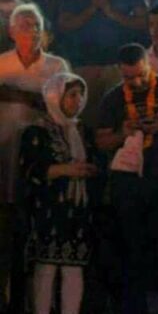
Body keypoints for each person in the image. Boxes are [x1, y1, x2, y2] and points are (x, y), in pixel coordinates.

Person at [95, 43, 158, 314]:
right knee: (131, 251)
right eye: (129, 77)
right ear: (120, 72)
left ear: (148, 65)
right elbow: (101, 141)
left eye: (140, 74)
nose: (136, 81)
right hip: (127, 186)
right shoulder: (113, 98)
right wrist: (122, 133)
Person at [0, 4, 70, 312]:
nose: (33, 30)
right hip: (3, 154)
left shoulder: (56, 67)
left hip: (42, 162)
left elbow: (68, 108)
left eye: (37, 25)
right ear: (12, 31)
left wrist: (25, 97)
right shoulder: (1, 64)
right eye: (26, 25)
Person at [20, 73, 100, 314]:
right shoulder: (37, 131)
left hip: (77, 211)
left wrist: (89, 170)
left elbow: (96, 162)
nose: (78, 100)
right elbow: (31, 170)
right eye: (72, 95)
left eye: (81, 95)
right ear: (56, 97)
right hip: (49, 208)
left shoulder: (82, 131)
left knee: (73, 268)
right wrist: (67, 169)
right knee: (46, 268)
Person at [56, 0, 148, 124]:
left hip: (119, 65)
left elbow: (143, 21)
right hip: (84, 64)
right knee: (85, 120)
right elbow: (64, 24)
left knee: (119, 121)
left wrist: (110, 12)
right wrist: (92, 8)